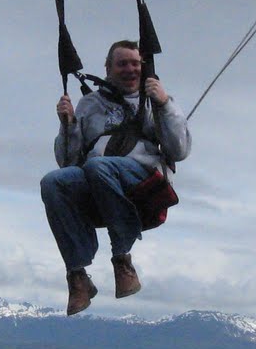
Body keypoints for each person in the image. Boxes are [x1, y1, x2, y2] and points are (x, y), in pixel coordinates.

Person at [41, 39, 192, 315]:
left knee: (99, 167)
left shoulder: (153, 101)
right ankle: (78, 275)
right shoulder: (90, 104)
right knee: (53, 182)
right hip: (97, 182)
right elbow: (68, 162)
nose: (130, 69)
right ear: (108, 68)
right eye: (122, 64)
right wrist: (69, 126)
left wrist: (164, 103)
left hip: (141, 180)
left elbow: (179, 150)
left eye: (135, 63)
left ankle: (122, 257)